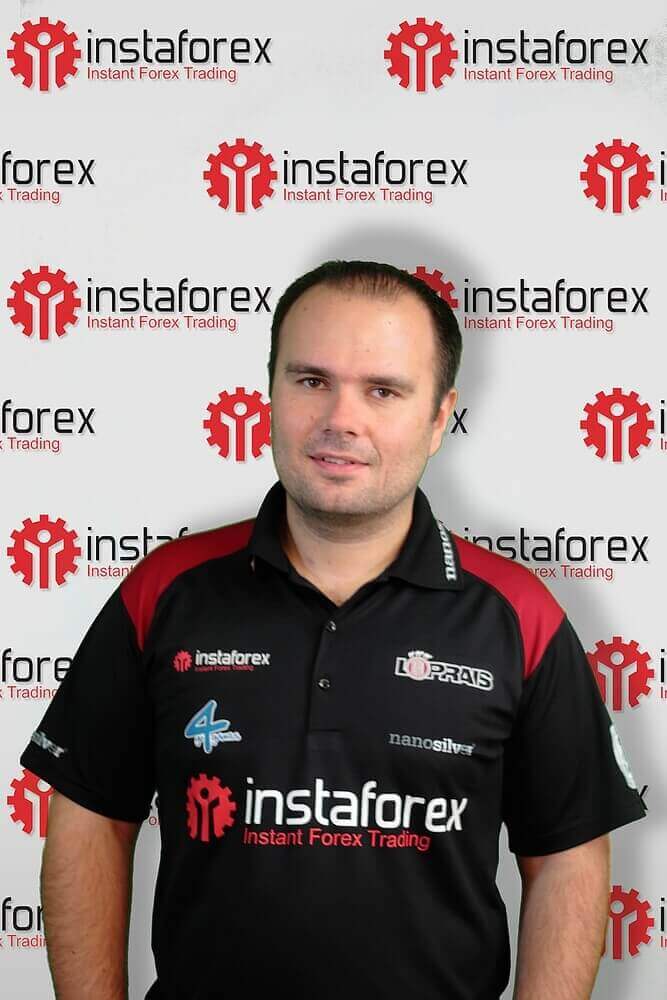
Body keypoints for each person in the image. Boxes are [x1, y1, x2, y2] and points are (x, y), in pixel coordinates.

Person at [20, 259, 646, 1000]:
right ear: (271, 391)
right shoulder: (164, 592)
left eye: (382, 390)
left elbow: (567, 855)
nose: (340, 419)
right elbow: (91, 818)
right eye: (311, 380)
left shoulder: (519, 614)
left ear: (439, 417)